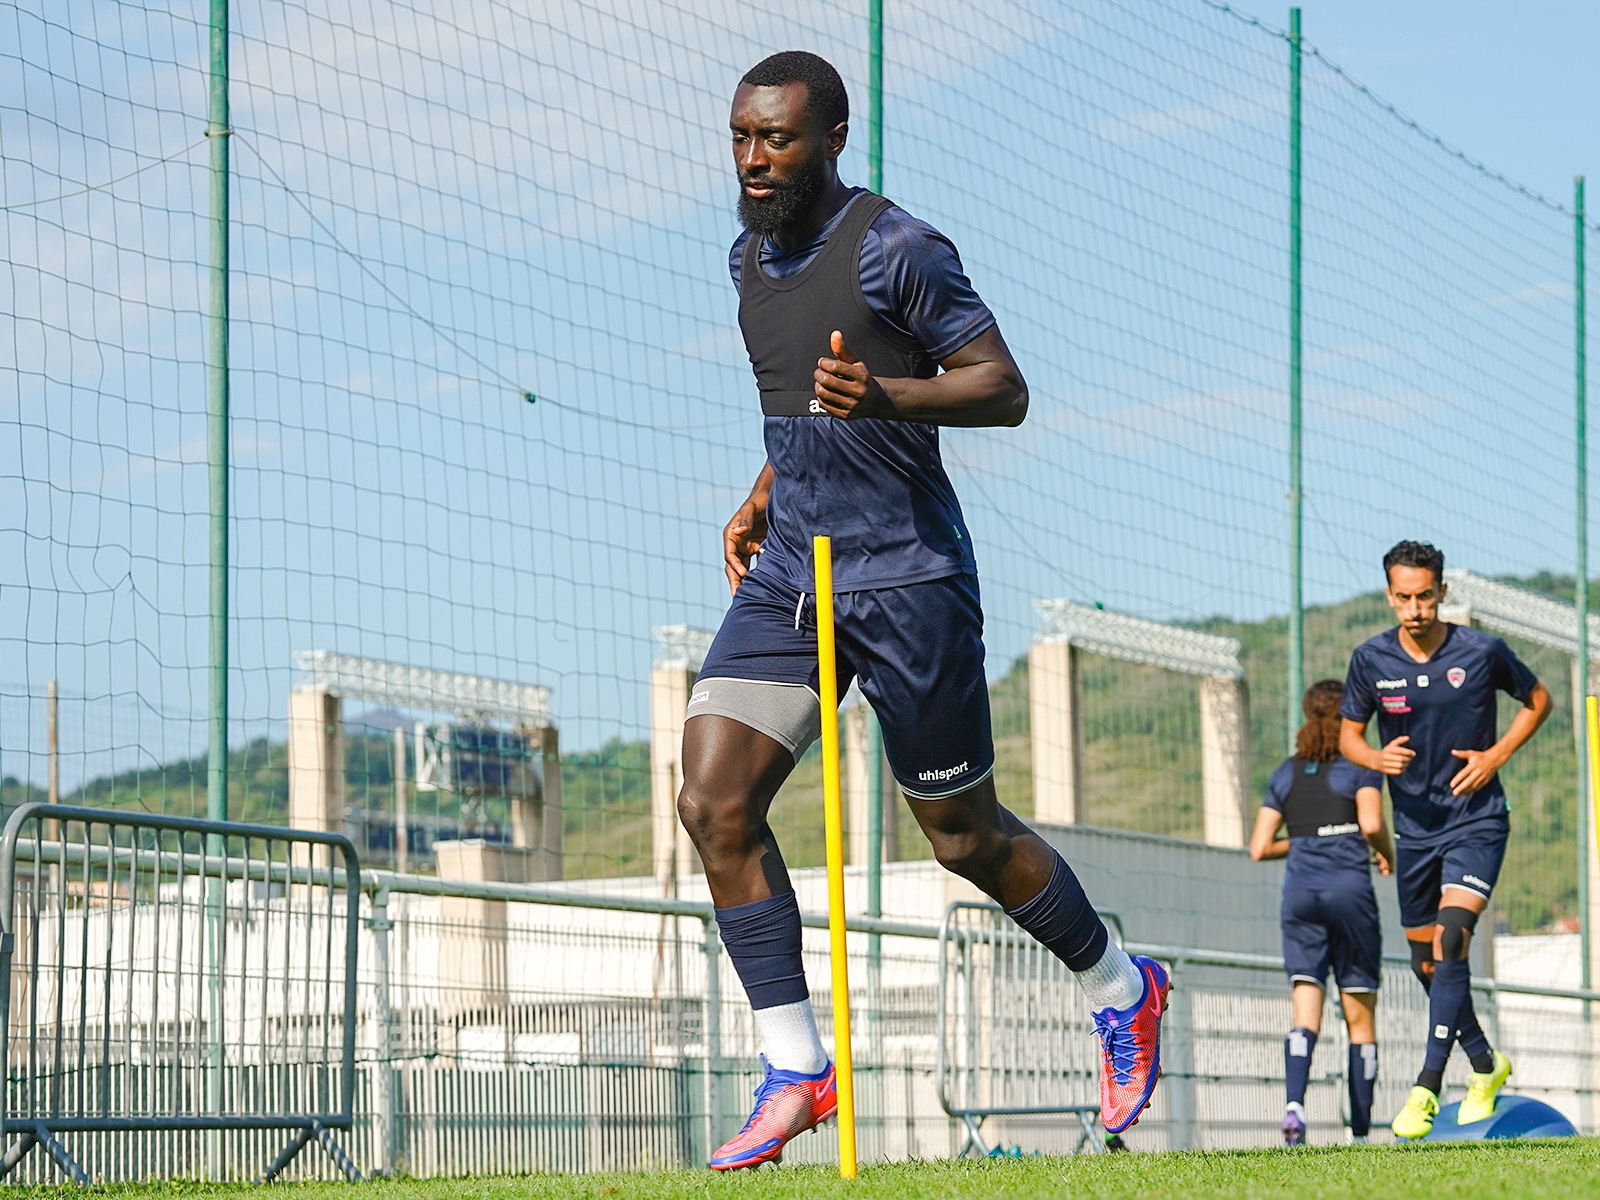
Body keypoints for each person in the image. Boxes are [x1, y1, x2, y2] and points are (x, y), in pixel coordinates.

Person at [680, 51, 1169, 1170]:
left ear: (832, 137)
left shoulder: (898, 246)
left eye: (776, 139)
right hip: (794, 575)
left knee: (961, 839)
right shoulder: (747, 258)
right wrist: (764, 491)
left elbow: (1002, 386)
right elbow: (799, 405)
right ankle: (796, 1070)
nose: (753, 159)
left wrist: (888, 395)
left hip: (908, 581)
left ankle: (1120, 987)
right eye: (741, 138)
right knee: (712, 800)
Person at [1339, 541, 1551, 1138]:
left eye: (1425, 596)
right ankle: (1485, 1063)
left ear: (1442, 592)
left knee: (1453, 937)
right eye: (1404, 597)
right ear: (1390, 596)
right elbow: (1350, 737)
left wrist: (1495, 756)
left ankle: (1427, 1085)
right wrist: (1375, 758)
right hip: (1414, 831)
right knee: (1427, 962)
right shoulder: (1370, 659)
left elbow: (1539, 700)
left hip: (1477, 821)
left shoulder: (1481, 651)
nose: (1415, 609)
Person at [1251, 679, 1395, 1147]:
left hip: (1300, 896)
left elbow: (1259, 847)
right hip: (1349, 894)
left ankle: (1294, 1106)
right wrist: (1384, 851)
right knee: (1360, 1019)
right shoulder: (1362, 766)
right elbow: (1371, 823)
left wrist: (1307, 838)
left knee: (1305, 1010)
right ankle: (1360, 1133)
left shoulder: (1286, 773)